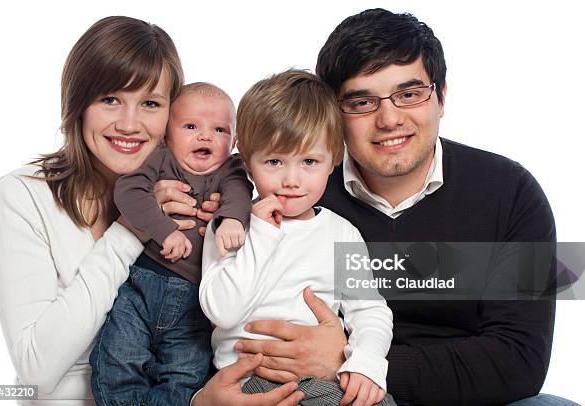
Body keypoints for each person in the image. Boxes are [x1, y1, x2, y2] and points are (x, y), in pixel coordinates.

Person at [207, 8, 578, 406]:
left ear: (441, 97)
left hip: (441, 393)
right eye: (362, 101)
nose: (389, 118)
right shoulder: (293, 193)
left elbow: (521, 361)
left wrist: (349, 362)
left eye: (409, 93)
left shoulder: (512, 192)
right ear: (334, 114)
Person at [0, 16, 299, 406]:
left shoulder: (211, 190)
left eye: (150, 103)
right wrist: (133, 228)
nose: (130, 124)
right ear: (79, 104)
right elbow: (36, 368)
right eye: (110, 99)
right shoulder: (25, 195)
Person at [199, 69, 394, 406]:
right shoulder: (231, 224)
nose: (292, 179)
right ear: (246, 160)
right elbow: (223, 312)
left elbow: (369, 310)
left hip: (324, 376)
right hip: (249, 381)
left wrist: (367, 363)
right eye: (274, 161)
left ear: (333, 159)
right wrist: (260, 233)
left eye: (309, 161)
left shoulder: (341, 232)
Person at [90, 82, 252, 405]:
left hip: (194, 303)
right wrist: (165, 230)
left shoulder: (231, 170)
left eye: (219, 130)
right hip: (141, 284)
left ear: (233, 141)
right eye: (191, 126)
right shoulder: (161, 160)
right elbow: (129, 193)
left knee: (185, 373)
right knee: (119, 356)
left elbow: (240, 194)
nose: (205, 136)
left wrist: (232, 219)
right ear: (168, 134)